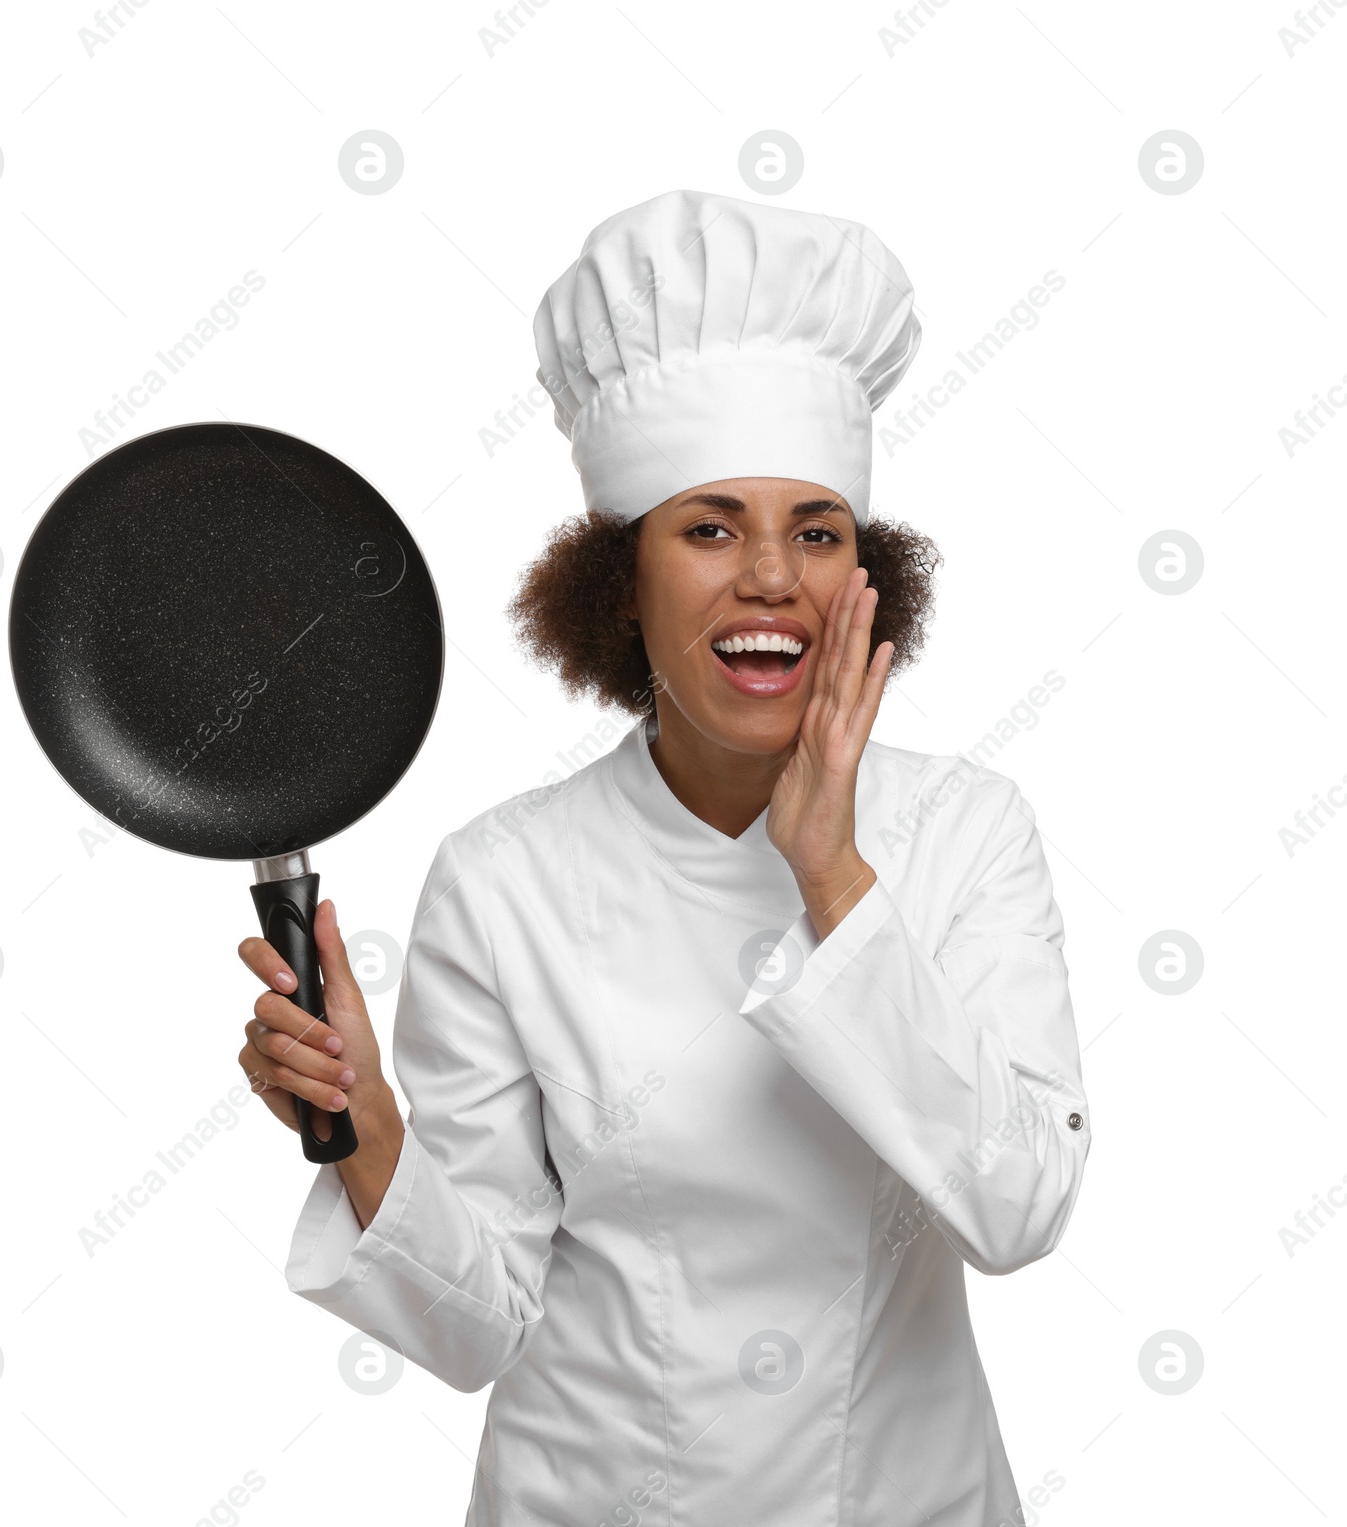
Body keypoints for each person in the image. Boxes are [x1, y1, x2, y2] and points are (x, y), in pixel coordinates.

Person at [236, 188, 1090, 1526]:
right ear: (619, 585)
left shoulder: (966, 834)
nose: (771, 577)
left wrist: (834, 880)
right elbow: (475, 1328)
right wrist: (371, 1130)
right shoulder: (507, 877)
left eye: (817, 530)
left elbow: (1021, 1207)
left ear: (868, 577)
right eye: (708, 529)